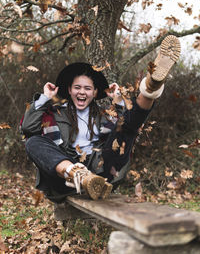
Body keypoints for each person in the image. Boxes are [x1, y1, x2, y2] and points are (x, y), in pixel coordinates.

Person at [21, 35, 181, 203]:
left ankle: (151, 87)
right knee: (33, 142)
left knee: (124, 127)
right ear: (69, 90)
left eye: (87, 88)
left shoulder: (104, 116)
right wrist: (45, 98)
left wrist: (118, 102)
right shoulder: (54, 113)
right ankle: (78, 173)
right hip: (64, 177)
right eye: (77, 87)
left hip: (100, 173)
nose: (82, 92)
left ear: (95, 93)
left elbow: (125, 130)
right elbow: (28, 128)